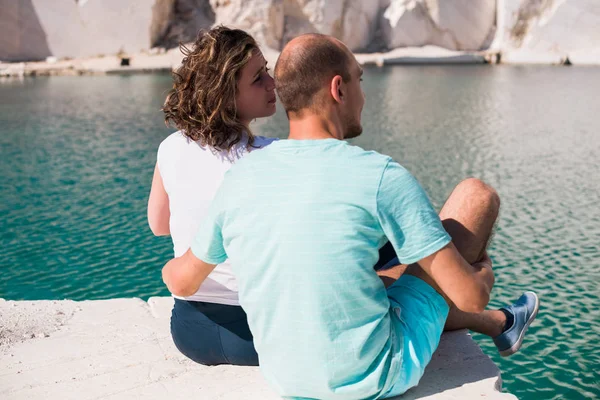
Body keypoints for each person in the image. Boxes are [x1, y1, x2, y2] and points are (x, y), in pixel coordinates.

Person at [162, 33, 539, 399]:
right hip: (376, 375)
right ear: (338, 89)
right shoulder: (380, 175)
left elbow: (182, 281)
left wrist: (169, 268)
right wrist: (482, 271)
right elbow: (470, 296)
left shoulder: (240, 177)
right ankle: (501, 320)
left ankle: (499, 322)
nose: (363, 94)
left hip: (284, 378)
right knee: (476, 196)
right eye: (360, 79)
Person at [147, 26, 278, 366]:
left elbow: (160, 225)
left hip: (190, 331)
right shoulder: (271, 156)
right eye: (258, 78)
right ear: (226, 95)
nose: (272, 83)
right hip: (260, 333)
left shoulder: (170, 147)